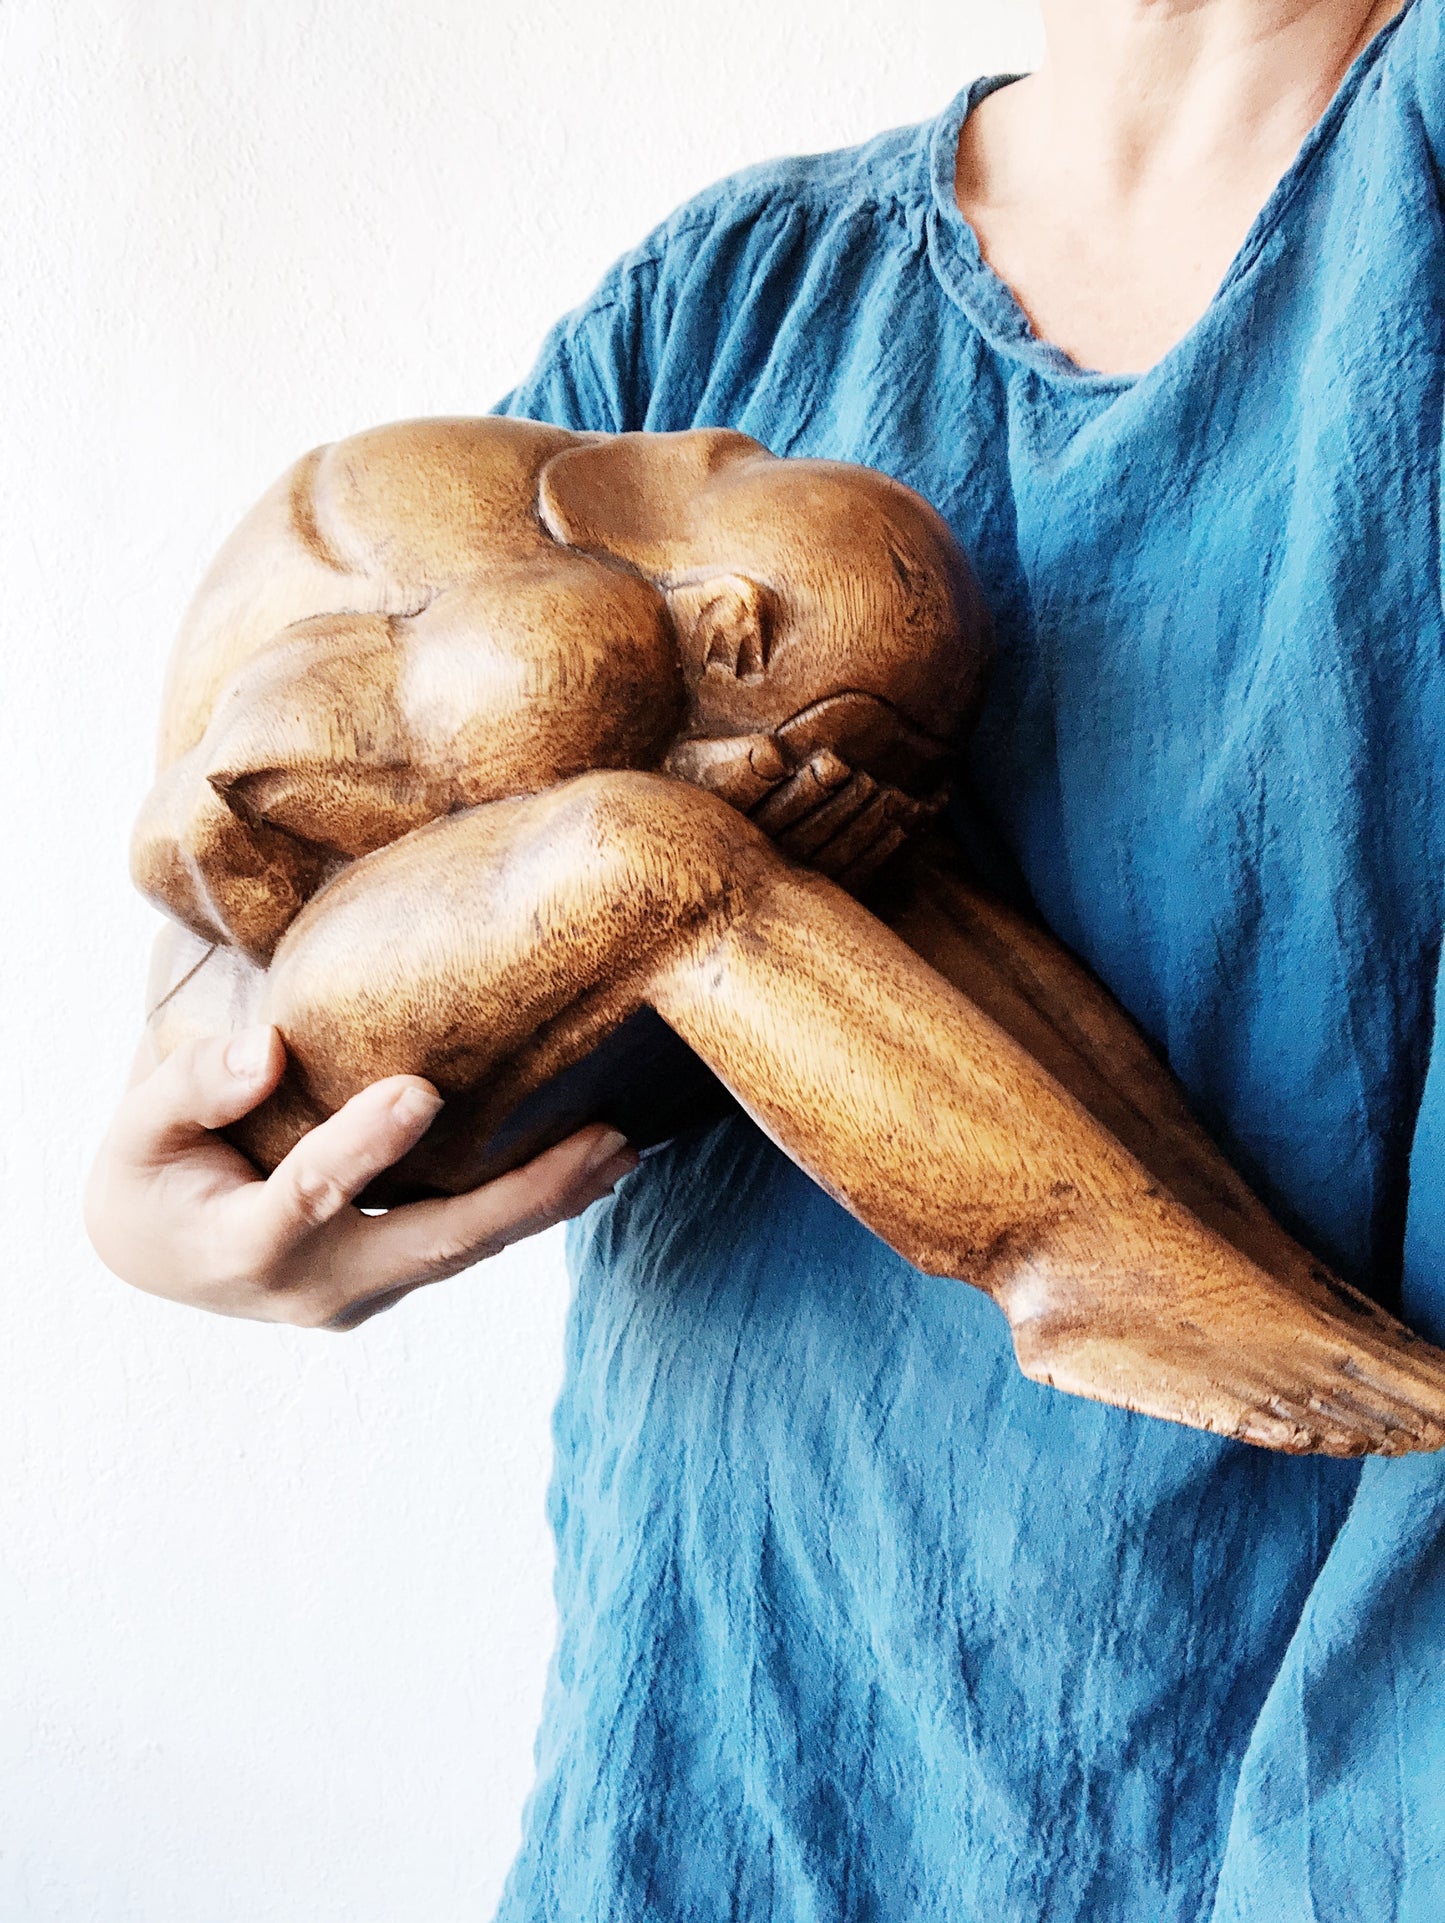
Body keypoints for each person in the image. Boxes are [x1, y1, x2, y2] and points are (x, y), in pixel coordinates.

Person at [85, 0, 1445, 1914]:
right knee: (680, 858)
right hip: (738, 1745)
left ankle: (1140, 1267)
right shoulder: (732, 298)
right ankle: (1093, 1259)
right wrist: (177, 1211)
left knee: (847, 882)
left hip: (1305, 1766)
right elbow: (229, 960)